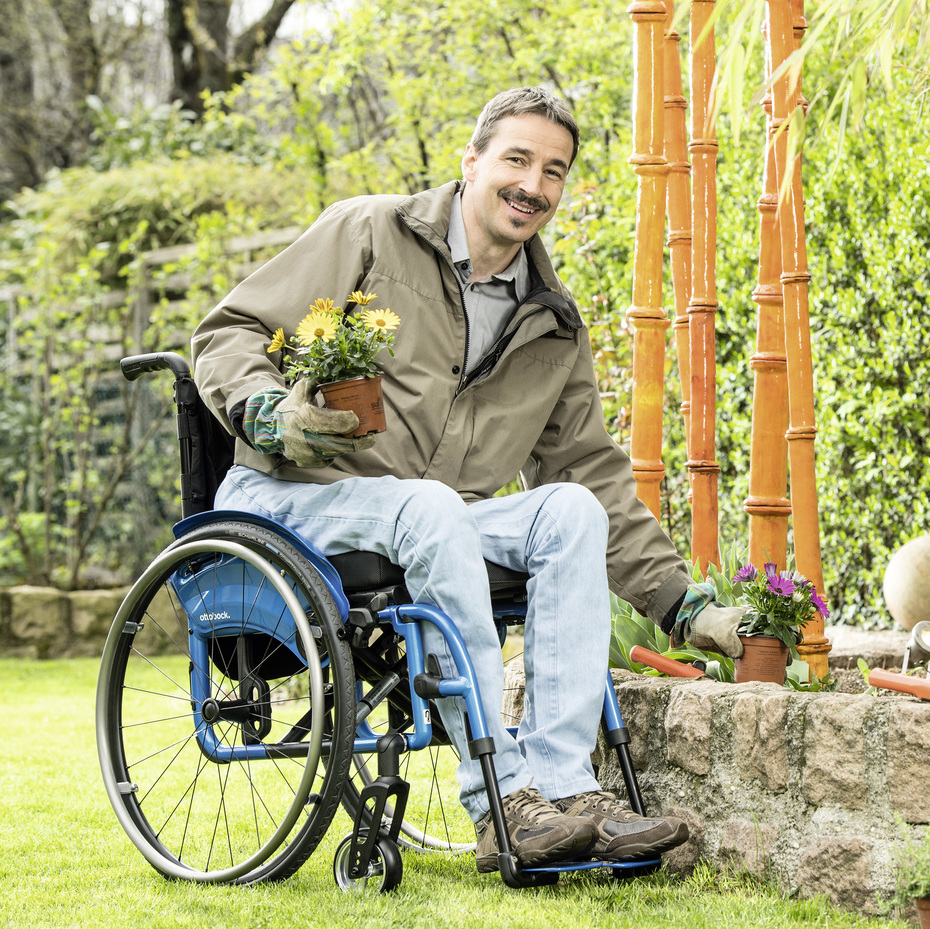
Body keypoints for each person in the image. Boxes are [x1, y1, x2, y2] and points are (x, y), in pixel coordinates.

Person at [191, 86, 746, 874]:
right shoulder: (369, 232)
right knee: (432, 508)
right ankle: (502, 801)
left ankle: (567, 790)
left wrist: (682, 606)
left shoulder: (551, 323)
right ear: (472, 161)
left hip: (428, 519)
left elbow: (590, 472)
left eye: (553, 171)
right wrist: (270, 412)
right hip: (292, 498)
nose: (532, 185)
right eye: (517, 159)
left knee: (570, 510)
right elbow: (229, 331)